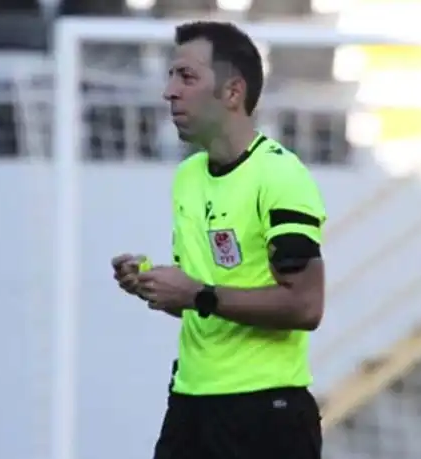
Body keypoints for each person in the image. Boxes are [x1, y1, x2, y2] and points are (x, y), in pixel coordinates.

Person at [111, 20, 326, 459]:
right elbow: (204, 298)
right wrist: (157, 285)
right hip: (190, 404)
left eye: (186, 77)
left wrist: (198, 294)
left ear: (232, 92)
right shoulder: (188, 176)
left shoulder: (280, 175)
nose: (169, 92)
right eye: (171, 76)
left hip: (266, 413)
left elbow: (305, 305)